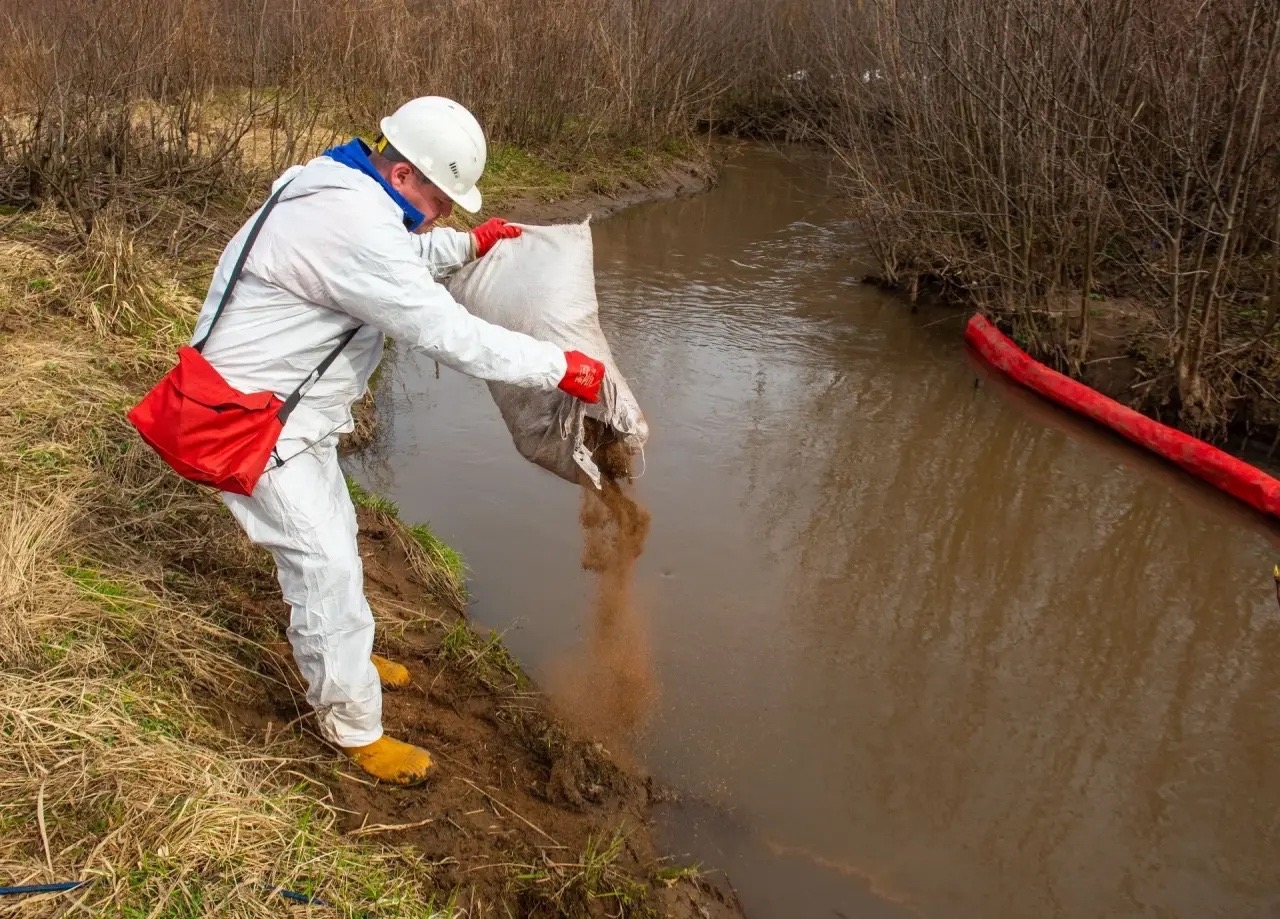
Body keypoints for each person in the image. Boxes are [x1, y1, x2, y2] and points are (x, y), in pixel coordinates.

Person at [192, 96, 606, 786]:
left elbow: (400, 252)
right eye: (441, 201)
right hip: (251, 424)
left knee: (335, 544)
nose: (443, 215)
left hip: (288, 414)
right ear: (404, 173)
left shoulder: (338, 186)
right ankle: (354, 729)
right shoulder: (353, 224)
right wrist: (558, 366)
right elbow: (447, 331)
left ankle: (345, 656)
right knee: (323, 569)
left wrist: (467, 246)